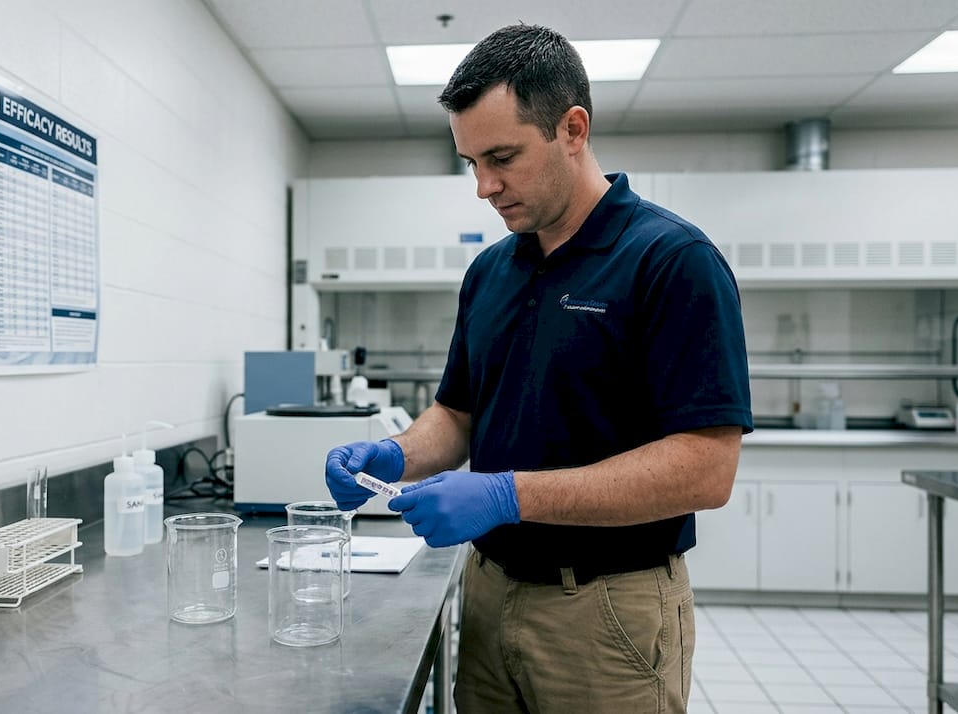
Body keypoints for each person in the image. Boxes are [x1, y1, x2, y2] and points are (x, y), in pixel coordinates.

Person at [323, 23, 753, 713]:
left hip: (607, 611)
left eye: (503, 157)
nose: (484, 187)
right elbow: (458, 415)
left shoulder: (671, 261)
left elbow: (707, 469)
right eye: (470, 162)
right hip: (490, 592)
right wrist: (393, 452)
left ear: (573, 129)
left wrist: (507, 496)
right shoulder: (491, 270)